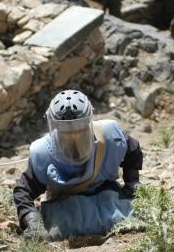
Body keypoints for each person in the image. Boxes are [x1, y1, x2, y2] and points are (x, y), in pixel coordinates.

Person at [13, 90, 143, 241]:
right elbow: (22, 191)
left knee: (142, 213)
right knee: (54, 229)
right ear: (53, 127)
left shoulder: (109, 135)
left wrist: (132, 182)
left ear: (89, 122)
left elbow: (133, 149)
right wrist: (32, 220)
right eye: (66, 132)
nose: (73, 135)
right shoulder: (42, 153)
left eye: (79, 129)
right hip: (67, 204)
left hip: (107, 194)